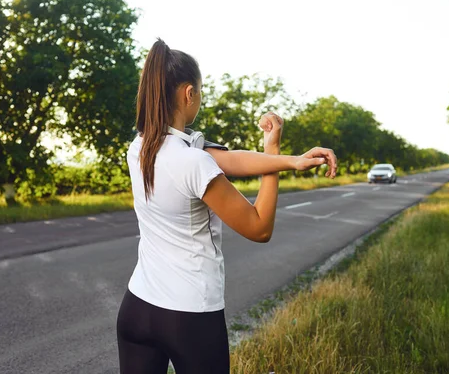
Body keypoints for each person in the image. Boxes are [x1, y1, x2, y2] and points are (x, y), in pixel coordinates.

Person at [116, 39, 337, 374]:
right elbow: (259, 228)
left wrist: (290, 160)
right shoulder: (193, 162)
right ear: (189, 93)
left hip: (137, 308)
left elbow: (229, 159)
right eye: (200, 94)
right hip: (189, 316)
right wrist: (274, 158)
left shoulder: (140, 147)